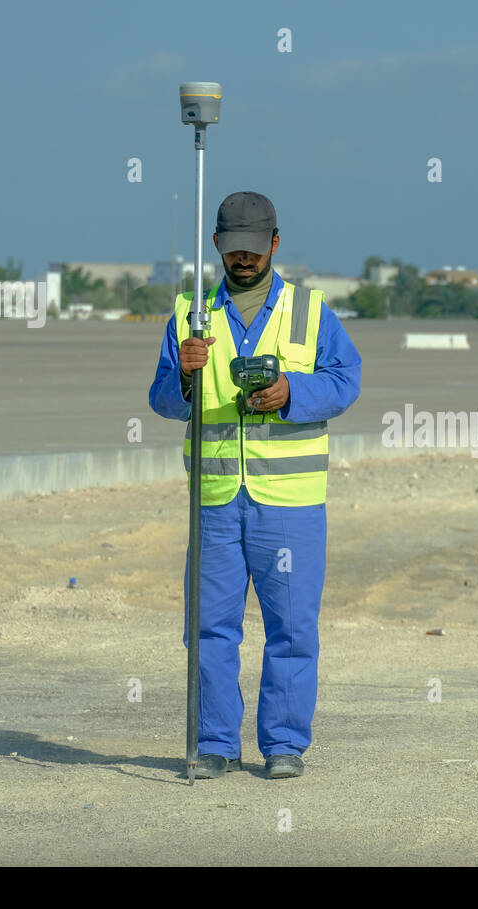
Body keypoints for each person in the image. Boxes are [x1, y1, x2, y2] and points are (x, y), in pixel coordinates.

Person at [148, 191, 361, 779]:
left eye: (253, 247)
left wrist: (294, 392)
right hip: (215, 503)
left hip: (290, 506)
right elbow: (163, 400)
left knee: (291, 630)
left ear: (274, 242)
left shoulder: (311, 311)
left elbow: (346, 382)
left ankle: (284, 745)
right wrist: (185, 376)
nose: (243, 259)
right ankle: (214, 744)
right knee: (209, 630)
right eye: (232, 248)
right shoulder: (191, 315)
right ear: (217, 245)